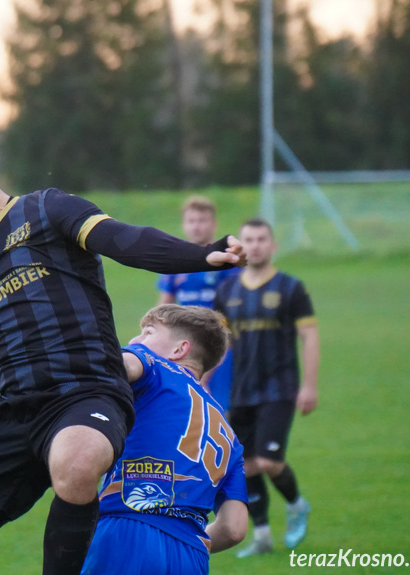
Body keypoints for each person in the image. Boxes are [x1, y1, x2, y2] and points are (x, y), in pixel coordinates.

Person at [0, 134, 245, 575]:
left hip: (85, 395)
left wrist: (201, 254)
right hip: (13, 418)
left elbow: (125, 241)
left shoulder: (47, 209)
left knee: (76, 461)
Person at [81, 304, 248, 575]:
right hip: (191, 555)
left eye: (147, 332)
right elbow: (234, 528)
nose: (136, 341)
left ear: (179, 350)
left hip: (127, 531)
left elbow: (119, 364)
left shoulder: (154, 365)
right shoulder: (229, 437)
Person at [213, 218, 319, 557]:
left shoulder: (291, 288)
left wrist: (309, 386)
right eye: (249, 240)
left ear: (272, 246)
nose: (256, 245)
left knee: (270, 461)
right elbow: (219, 343)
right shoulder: (227, 291)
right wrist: (201, 382)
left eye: (262, 239)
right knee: (243, 464)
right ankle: (261, 535)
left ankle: (297, 504)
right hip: (240, 390)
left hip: (280, 387)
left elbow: (309, 337)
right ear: (240, 247)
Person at [156, 195, 239, 412]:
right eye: (191, 221)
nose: (197, 226)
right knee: (184, 409)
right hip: (183, 345)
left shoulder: (227, 263)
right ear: (184, 225)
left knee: (219, 409)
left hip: (220, 346)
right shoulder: (176, 262)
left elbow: (233, 314)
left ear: (214, 224)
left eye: (202, 220)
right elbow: (163, 310)